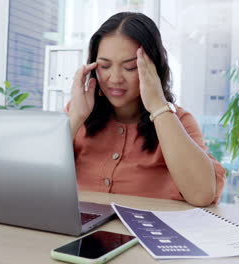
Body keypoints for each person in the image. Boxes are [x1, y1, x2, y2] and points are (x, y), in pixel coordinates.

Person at [67, 12, 226, 207]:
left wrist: (158, 106)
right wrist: (75, 117)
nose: (115, 78)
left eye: (130, 67)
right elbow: (35, 183)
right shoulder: (78, 112)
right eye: (105, 66)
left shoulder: (179, 121)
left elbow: (202, 194)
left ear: (153, 69)